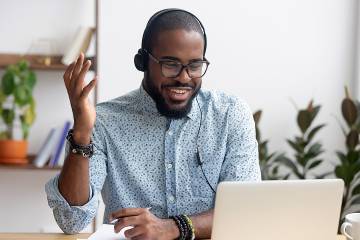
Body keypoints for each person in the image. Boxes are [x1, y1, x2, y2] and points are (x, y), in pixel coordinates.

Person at [46, 8, 261, 240]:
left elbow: (244, 212)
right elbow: (71, 221)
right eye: (171, 64)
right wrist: (81, 134)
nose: (184, 77)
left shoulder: (230, 115)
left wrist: (173, 227)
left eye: (195, 66)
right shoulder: (104, 121)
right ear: (142, 62)